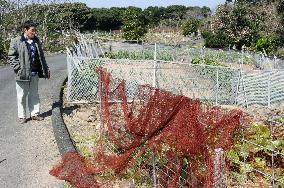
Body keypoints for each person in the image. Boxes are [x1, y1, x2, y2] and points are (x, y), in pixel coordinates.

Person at [8, 20, 50, 124]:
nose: (34, 32)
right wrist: (18, 68)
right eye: (32, 30)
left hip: (35, 73)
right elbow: (11, 56)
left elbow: (41, 57)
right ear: (25, 30)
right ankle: (22, 116)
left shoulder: (36, 41)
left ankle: (35, 114)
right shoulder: (16, 41)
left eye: (35, 30)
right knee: (21, 96)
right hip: (22, 74)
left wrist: (46, 69)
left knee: (34, 94)